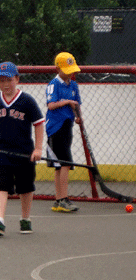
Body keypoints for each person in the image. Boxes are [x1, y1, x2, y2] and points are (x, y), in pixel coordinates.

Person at [0, 62, 45, 236]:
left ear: (17, 79)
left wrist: (38, 149)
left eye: (9, 80)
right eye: (1, 80)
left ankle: (25, 219)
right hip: (1, 152)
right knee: (0, 186)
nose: (5, 84)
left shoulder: (27, 101)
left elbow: (38, 124)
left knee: (26, 187)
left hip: (24, 153)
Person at [46, 52, 82, 213]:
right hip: (55, 127)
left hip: (67, 126)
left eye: (71, 70)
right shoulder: (53, 84)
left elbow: (77, 104)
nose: (70, 73)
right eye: (67, 70)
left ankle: (58, 200)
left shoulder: (73, 85)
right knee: (65, 163)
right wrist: (67, 101)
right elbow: (51, 105)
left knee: (60, 165)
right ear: (58, 68)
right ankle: (63, 199)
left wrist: (77, 116)